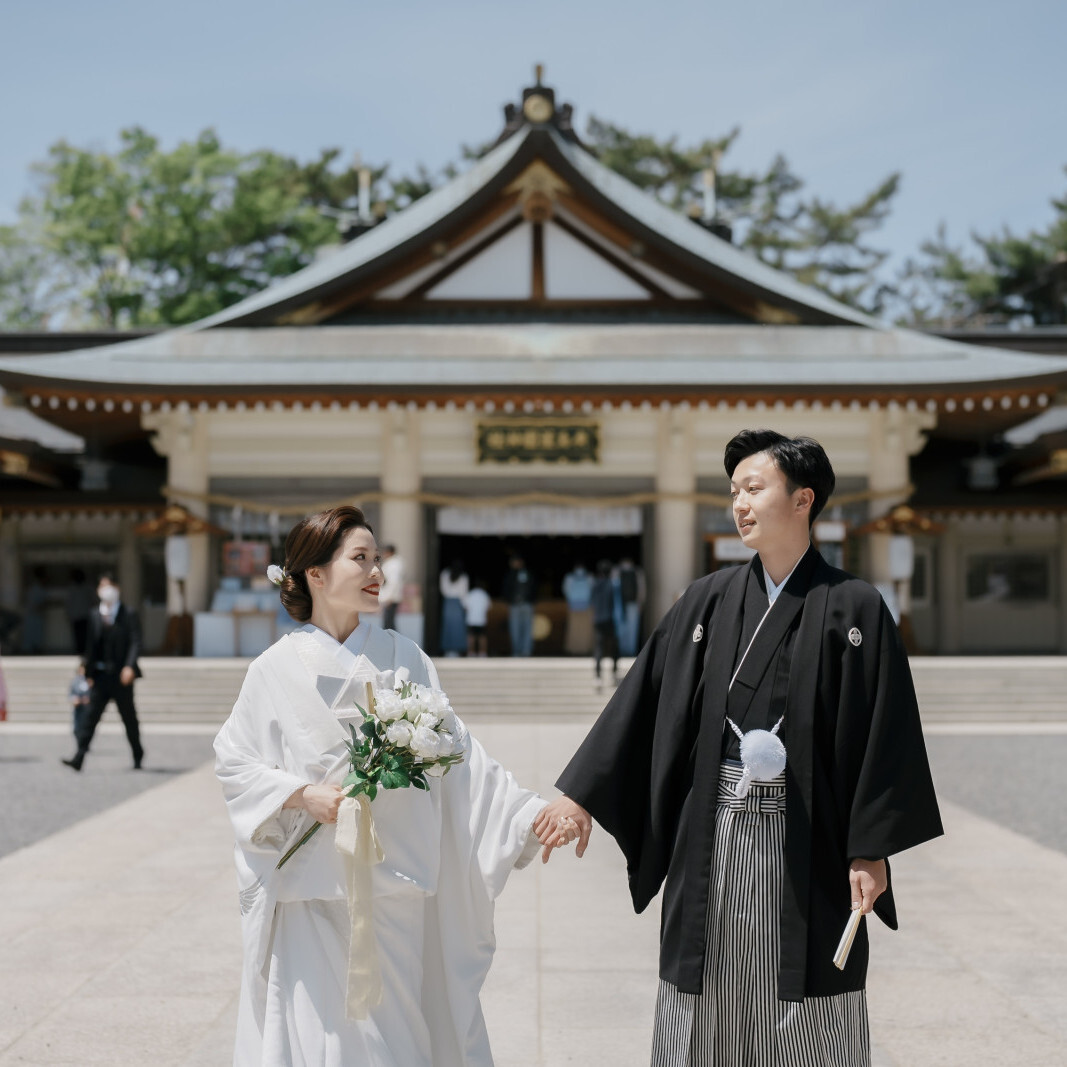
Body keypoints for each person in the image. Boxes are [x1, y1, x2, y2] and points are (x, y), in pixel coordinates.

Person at [537, 430, 943, 1066]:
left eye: (755, 488)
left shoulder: (855, 607)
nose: (740, 504)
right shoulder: (709, 599)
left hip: (810, 835)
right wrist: (580, 797)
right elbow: (642, 701)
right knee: (708, 989)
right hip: (714, 831)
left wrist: (871, 849)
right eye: (734, 492)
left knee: (806, 997)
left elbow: (883, 735)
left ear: (804, 498)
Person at [213, 507, 572, 1065]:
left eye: (376, 559)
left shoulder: (406, 658)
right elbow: (234, 761)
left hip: (395, 883)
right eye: (360, 559)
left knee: (396, 1040)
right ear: (315, 574)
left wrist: (529, 815)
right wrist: (299, 794)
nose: (377, 571)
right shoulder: (272, 669)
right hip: (315, 890)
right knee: (318, 1040)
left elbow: (462, 759)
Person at [63, 574, 144, 771]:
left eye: (110, 585)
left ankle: (137, 754)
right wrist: (87, 672)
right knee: (90, 717)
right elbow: (91, 646)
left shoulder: (128, 613)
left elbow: (135, 641)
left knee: (129, 718)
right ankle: (79, 756)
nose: (106, 590)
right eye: (103, 586)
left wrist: (129, 666)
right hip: (100, 675)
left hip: (121, 676)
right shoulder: (94, 614)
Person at [591, 560, 618, 688]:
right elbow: (615, 603)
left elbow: (591, 601)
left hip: (597, 619)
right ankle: (613, 673)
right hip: (609, 619)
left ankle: (597, 676)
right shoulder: (612, 584)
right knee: (613, 647)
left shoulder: (595, 584)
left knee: (599, 648)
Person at [501, 554, 536, 657]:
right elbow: (505, 589)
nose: (513, 564)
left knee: (527, 629)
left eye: (514, 561)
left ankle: (526, 650)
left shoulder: (528, 573)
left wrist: (531, 600)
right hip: (514, 605)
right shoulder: (510, 574)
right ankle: (516, 651)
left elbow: (534, 588)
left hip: (527, 604)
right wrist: (509, 600)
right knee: (515, 629)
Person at [614, 557, 645, 656]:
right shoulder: (637, 572)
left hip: (620, 604)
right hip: (633, 604)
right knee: (633, 629)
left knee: (621, 629)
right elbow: (641, 589)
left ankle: (622, 650)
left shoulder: (617, 571)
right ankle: (631, 651)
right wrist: (640, 603)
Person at [562, 562, 594, 655]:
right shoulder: (589, 577)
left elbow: (566, 590)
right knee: (583, 630)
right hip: (585, 606)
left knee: (574, 629)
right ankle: (583, 649)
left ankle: (575, 649)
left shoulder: (569, 578)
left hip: (574, 606)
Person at [439, 560, 469, 656]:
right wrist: (465, 606)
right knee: (458, 627)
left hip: (448, 602)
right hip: (458, 602)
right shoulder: (463, 576)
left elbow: (443, 590)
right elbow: (464, 593)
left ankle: (448, 650)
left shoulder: (445, 574)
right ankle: (456, 649)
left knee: (448, 626)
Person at [65, 568, 94, 655]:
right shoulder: (72, 588)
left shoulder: (87, 588)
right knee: (78, 635)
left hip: (85, 615)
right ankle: (79, 651)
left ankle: (84, 651)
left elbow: (93, 600)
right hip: (77, 616)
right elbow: (68, 602)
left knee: (85, 635)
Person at [378, 544, 404, 631]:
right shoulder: (392, 563)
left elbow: (394, 582)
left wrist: (389, 598)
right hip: (389, 597)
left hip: (390, 598)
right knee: (388, 622)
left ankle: (391, 643)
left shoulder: (394, 565)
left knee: (389, 623)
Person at [464, 578, 492, 657]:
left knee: (471, 637)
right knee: (482, 637)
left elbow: (465, 607)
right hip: (481, 619)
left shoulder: (470, 594)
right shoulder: (484, 594)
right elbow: (488, 607)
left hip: (471, 619)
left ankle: (471, 652)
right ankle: (482, 653)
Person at [68, 662, 92, 729]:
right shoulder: (75, 681)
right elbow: (71, 694)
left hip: (88, 706)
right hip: (78, 707)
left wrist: (89, 698)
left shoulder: (90, 680)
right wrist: (74, 699)